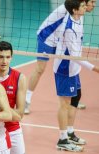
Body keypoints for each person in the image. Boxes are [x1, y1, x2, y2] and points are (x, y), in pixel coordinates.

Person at [25, 0, 97, 114]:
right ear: (83, 3)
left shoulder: (79, 14)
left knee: (73, 64)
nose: (94, 5)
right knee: (40, 69)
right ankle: (26, 101)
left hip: (61, 41)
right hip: (48, 38)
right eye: (92, 2)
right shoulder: (69, 8)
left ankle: (73, 97)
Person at [54, 0, 99, 151]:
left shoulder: (79, 17)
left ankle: (70, 132)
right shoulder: (69, 28)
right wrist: (96, 69)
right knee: (64, 104)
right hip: (65, 69)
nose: (86, 7)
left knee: (76, 98)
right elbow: (75, 57)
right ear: (74, 10)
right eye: (83, 6)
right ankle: (62, 139)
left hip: (74, 69)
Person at [0, 41, 27, 154]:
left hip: (12, 128)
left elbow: (20, 113)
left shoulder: (20, 78)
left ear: (11, 57)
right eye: (1, 57)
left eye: (8, 57)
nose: (4, 61)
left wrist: (0, 106)